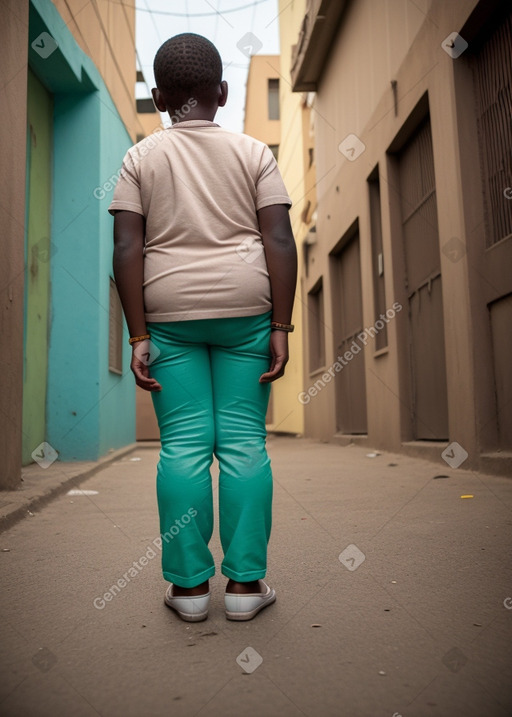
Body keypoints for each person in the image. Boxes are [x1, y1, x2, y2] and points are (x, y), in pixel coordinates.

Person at [109, 33, 297, 622]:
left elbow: (126, 248)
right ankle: (245, 588)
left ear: (161, 97)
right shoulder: (253, 152)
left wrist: (138, 336)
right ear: (221, 91)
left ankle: (189, 591)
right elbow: (279, 240)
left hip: (168, 317)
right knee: (243, 443)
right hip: (247, 313)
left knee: (185, 448)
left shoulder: (140, 157)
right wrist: (282, 324)